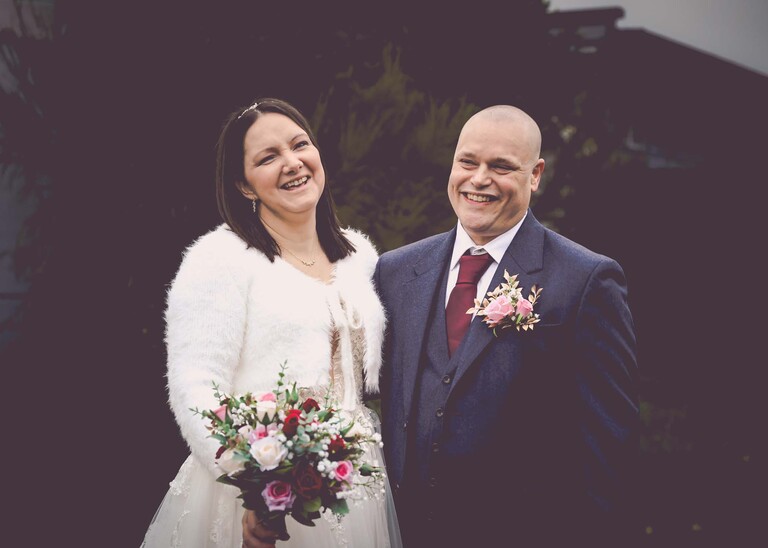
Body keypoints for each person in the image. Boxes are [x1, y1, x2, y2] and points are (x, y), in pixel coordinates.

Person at [141, 98, 402, 547]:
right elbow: (195, 386)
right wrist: (254, 483)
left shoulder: (361, 256)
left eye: (300, 145)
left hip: (355, 480)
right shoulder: (219, 259)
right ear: (244, 185)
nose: (292, 162)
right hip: (257, 483)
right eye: (268, 157)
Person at [374, 105, 639, 547]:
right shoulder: (396, 271)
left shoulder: (586, 279)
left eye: (501, 167)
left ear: (534, 175)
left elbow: (608, 445)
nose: (479, 179)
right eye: (468, 162)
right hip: (405, 532)